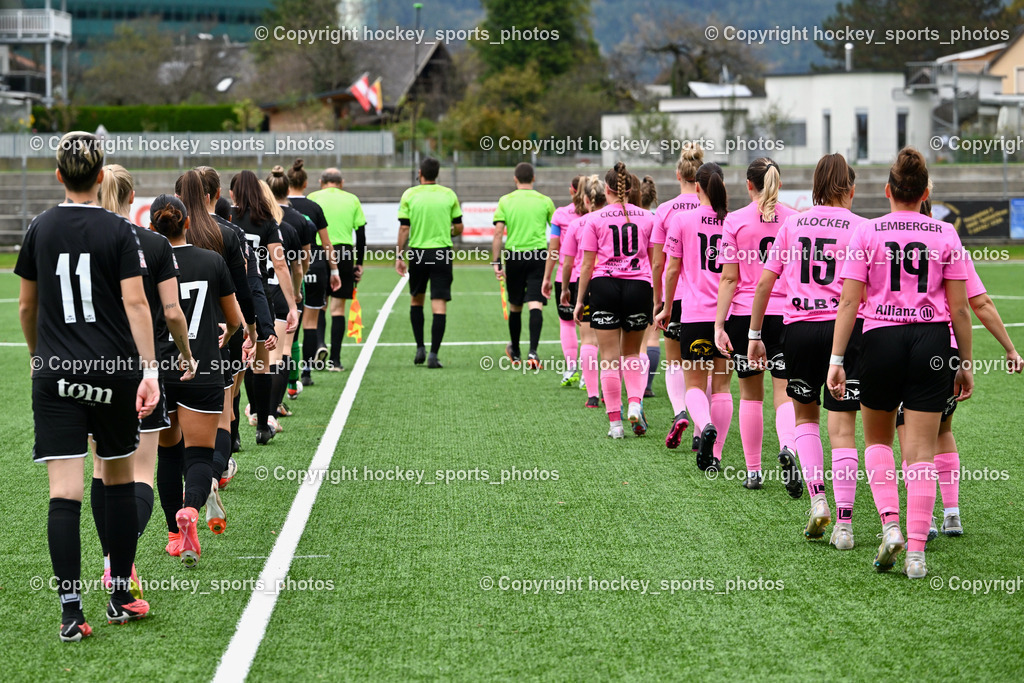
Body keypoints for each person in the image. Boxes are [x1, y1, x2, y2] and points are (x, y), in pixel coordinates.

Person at [16, 132, 158, 640]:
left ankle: (71, 613)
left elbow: (27, 307)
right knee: (117, 478)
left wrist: (40, 359)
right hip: (112, 373)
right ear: (101, 177)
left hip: (56, 374)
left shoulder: (38, 227)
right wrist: (150, 371)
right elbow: (138, 306)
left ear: (59, 175)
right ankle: (120, 594)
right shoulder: (122, 233)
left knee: (66, 491)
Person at [827, 147, 973, 579]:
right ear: (926, 192)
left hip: (880, 340)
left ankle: (889, 525)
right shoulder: (946, 234)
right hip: (932, 342)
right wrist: (964, 363)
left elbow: (850, 301)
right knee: (922, 451)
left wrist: (837, 360)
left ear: (888, 190)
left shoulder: (867, 233)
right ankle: (915, 553)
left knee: (876, 440)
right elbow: (961, 310)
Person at [749, 153, 865, 547]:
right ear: (849, 188)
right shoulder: (863, 227)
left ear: (815, 185)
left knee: (806, 419)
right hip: (844, 332)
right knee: (844, 428)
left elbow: (764, 284)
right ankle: (845, 525)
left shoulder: (793, 224)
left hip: (797, 330)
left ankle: (817, 501)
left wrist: (753, 335)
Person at [92, 165, 195, 595]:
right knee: (141, 474)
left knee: (101, 471)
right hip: (141, 369)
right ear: (132, 195)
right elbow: (172, 312)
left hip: (93, 366)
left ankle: (109, 563)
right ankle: (121, 564)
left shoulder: (84, 237)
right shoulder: (153, 244)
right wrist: (187, 354)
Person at [894, 198, 1024, 539]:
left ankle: (924, 519)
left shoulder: (882, 239)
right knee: (941, 430)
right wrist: (1009, 348)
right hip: (944, 351)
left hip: (897, 348)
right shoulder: (948, 241)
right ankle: (951, 513)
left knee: (908, 430)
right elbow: (978, 303)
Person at [150, 195, 242, 568]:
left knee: (167, 453)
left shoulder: (147, 263)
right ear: (188, 223)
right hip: (203, 367)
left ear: (153, 228)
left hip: (161, 368)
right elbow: (233, 317)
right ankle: (191, 509)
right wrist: (229, 331)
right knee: (200, 455)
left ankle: (175, 533)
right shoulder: (211, 260)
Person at [714, 158, 800, 492]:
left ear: (749, 184)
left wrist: (719, 324)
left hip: (745, 315)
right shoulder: (794, 219)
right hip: (786, 315)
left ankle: (753, 472)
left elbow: (729, 278)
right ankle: (789, 449)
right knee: (785, 393)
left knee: (751, 395)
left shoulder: (735, 221)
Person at [574, 162, 656, 438]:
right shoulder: (647, 217)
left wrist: (579, 300)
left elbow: (586, 265)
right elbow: (656, 263)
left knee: (608, 358)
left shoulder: (595, 219)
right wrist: (659, 298)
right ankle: (634, 402)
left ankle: (615, 425)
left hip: (604, 286)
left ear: (606, 190)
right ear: (631, 189)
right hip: (638, 286)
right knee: (631, 354)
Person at [656, 162, 729, 470]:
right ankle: (716, 452)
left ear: (697, 186)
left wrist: (667, 306)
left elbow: (671, 269)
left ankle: (704, 426)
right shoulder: (734, 220)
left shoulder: (682, 219)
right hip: (727, 317)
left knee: (695, 384)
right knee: (723, 386)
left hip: (695, 313)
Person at [233, 170, 298, 444]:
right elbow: (280, 262)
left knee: (237, 364)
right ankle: (263, 423)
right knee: (264, 358)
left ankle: (232, 432)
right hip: (262, 293)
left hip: (232, 296)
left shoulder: (229, 219)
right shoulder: (267, 221)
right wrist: (292, 303)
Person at [651, 147, 704, 435]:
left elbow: (659, 262)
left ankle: (679, 411)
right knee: (702, 363)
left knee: (674, 360)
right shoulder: (713, 209)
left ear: (678, 175)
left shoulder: (665, 210)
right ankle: (700, 429)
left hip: (677, 295)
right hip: (707, 299)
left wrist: (659, 299)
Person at [395, 157, 464, 368]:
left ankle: (420, 347)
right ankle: (434, 354)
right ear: (437, 174)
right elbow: (459, 228)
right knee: (439, 305)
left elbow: (405, 228)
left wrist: (399, 255)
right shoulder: (448, 194)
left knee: (416, 300)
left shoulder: (410, 194)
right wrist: (447, 230)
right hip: (442, 253)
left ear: (420, 173)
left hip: (418, 254)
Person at [491, 162, 556, 368]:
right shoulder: (544, 201)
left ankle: (516, 352)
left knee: (515, 304)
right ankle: (533, 353)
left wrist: (496, 261)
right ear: (534, 179)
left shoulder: (506, 200)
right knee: (535, 303)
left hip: (514, 256)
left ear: (515, 179)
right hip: (538, 255)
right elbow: (557, 231)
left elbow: (498, 233)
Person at [286, 159, 341, 386]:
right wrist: (335, 270)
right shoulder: (314, 207)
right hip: (316, 264)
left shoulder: (281, 208)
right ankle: (307, 371)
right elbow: (326, 243)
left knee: (290, 321)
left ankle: (290, 377)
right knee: (310, 320)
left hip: (288, 266)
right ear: (306, 183)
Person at [308, 167, 365, 372]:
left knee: (319, 305)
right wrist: (359, 263)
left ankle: (320, 345)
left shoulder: (313, 197)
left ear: (321, 182)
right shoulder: (352, 199)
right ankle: (336, 361)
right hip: (344, 253)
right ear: (341, 183)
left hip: (318, 252)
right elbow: (361, 234)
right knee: (338, 308)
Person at [262, 176, 306, 417]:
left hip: (255, 296)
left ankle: (256, 410)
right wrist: (296, 294)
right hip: (279, 294)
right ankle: (271, 410)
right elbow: (296, 267)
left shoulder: (244, 227)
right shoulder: (288, 229)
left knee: (257, 356)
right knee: (281, 352)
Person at [560, 176, 602, 408]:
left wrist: (565, 288)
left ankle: (593, 394)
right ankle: (610, 391)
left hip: (585, 283)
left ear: (585, 200)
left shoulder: (578, 224)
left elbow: (568, 263)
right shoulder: (617, 219)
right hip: (611, 281)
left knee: (587, 340)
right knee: (610, 342)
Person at [543, 176, 583, 385]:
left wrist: (547, 278)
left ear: (571, 190)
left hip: (565, 278)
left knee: (566, 323)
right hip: (590, 277)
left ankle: (571, 369)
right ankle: (588, 374)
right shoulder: (595, 214)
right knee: (590, 327)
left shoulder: (561, 214)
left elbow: (553, 248)